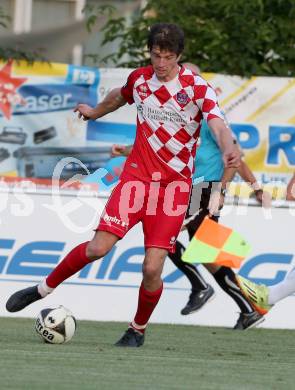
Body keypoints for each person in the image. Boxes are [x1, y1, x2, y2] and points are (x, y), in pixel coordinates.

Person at [6, 23, 240, 348]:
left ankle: (137, 329)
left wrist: (228, 147)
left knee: (152, 267)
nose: (161, 63)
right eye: (156, 55)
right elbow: (119, 96)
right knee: (97, 248)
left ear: (180, 56)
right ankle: (42, 289)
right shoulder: (140, 79)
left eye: (168, 57)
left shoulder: (197, 88)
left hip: (173, 191)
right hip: (136, 181)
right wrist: (94, 113)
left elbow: (217, 124)